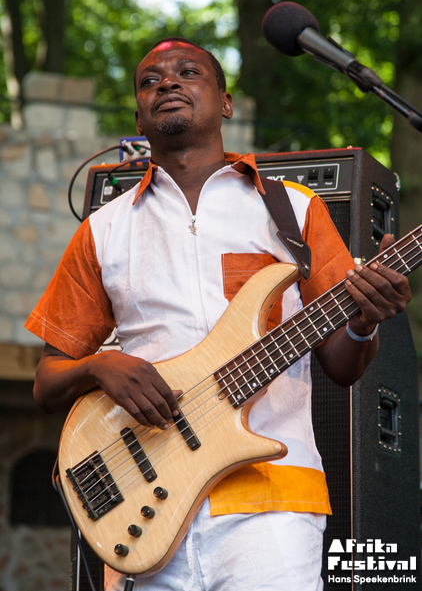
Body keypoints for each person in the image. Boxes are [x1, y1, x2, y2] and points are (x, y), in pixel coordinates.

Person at [25, 37, 411, 591]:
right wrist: (98, 366)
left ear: (225, 103)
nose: (167, 82)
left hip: (271, 507)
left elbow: (342, 366)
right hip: (149, 507)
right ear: (138, 117)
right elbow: (47, 381)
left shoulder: (295, 209)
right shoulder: (102, 230)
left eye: (188, 72)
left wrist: (364, 321)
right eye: (150, 80)